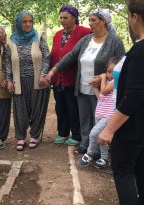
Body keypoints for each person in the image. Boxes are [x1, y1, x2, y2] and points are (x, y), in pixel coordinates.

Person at [44, 8, 125, 154]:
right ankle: (86, 143)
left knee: (99, 120)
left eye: (93, 20)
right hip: (82, 87)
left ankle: (99, 150)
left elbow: (121, 67)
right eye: (89, 20)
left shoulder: (114, 41)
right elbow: (70, 56)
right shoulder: (86, 39)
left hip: (102, 91)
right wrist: (52, 72)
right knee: (84, 118)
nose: (90, 23)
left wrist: (103, 77)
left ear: (103, 21)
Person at [99, 1, 144, 205]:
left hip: (133, 125)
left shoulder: (138, 52)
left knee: (124, 168)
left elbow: (133, 96)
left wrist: (109, 129)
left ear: (135, 17)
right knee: (141, 164)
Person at [6, 10, 50, 151]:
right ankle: (20, 137)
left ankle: (35, 136)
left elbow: (46, 57)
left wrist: (43, 74)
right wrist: (8, 80)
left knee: (37, 109)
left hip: (37, 80)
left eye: (30, 21)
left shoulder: (38, 37)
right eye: (24, 21)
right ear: (18, 23)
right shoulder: (11, 40)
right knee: (20, 110)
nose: (28, 24)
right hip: (18, 81)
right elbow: (7, 62)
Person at [50, 6, 91, 146]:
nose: (62, 20)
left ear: (74, 18)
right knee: (60, 107)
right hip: (57, 79)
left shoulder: (84, 32)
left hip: (73, 78)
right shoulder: (57, 34)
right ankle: (62, 132)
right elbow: (54, 54)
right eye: (60, 17)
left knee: (73, 107)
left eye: (65, 18)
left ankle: (77, 134)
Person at [78, 57, 120, 169]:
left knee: (93, 133)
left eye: (113, 72)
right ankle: (104, 158)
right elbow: (101, 98)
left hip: (109, 116)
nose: (110, 74)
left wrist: (102, 78)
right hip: (100, 114)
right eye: (108, 71)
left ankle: (90, 154)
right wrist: (95, 87)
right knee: (102, 138)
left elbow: (105, 92)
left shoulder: (115, 82)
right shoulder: (107, 82)